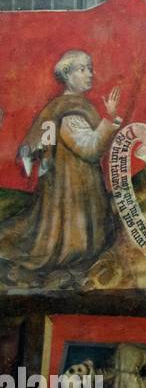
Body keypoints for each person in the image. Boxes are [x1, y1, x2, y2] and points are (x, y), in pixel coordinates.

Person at [0, 50, 120, 286]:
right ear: (67, 74)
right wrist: (112, 121)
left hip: (74, 183)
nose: (90, 74)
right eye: (82, 69)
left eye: (90, 68)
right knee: (71, 243)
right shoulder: (69, 112)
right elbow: (90, 149)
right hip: (71, 186)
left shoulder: (73, 106)